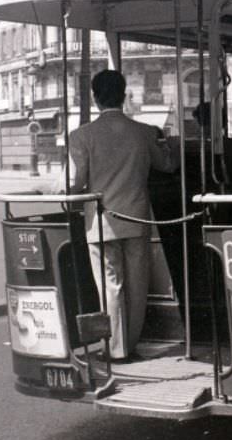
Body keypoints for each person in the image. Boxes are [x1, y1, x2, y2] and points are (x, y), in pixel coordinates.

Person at [66, 69, 175, 361]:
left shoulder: (81, 136)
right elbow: (166, 165)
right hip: (137, 218)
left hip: (101, 222)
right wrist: (168, 145)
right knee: (137, 286)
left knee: (110, 286)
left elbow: (74, 183)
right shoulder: (144, 132)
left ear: (95, 98)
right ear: (124, 96)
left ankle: (116, 349)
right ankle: (131, 343)